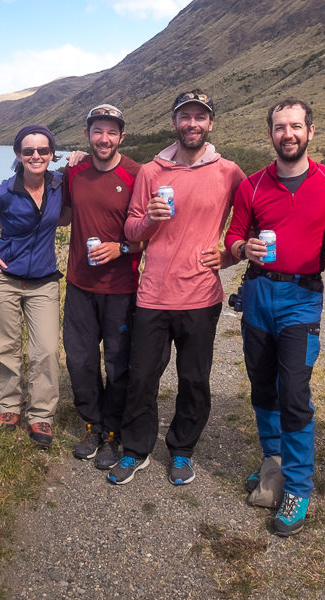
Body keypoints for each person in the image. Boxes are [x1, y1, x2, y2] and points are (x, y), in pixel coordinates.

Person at [107, 90, 246, 486]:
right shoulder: (152, 172)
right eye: (185, 117)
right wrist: (149, 219)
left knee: (194, 377)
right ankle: (136, 450)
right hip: (153, 293)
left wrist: (231, 255)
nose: (192, 124)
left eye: (200, 117)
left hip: (201, 295)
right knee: (142, 375)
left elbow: (250, 217)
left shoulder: (228, 171)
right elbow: (132, 230)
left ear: (210, 124)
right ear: (175, 123)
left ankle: (182, 450)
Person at [224, 98, 325, 536]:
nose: (288, 134)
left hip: (301, 297)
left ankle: (298, 486)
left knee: (293, 391)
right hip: (258, 292)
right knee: (261, 385)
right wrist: (243, 249)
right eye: (280, 127)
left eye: (296, 126)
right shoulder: (253, 185)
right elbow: (235, 235)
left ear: (310, 131)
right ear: (270, 133)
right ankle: (272, 463)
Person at [0, 125, 64, 448]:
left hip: (43, 281)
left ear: (51, 154)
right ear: (18, 155)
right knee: (5, 347)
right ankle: (9, 406)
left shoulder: (61, 184)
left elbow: (89, 172)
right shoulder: (3, 192)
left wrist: (79, 157)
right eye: (29, 151)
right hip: (2, 279)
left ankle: (41, 414)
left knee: (45, 349)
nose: (36, 156)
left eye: (43, 151)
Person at [61, 104, 143, 470]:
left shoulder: (137, 175)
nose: (104, 138)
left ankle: (113, 433)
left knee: (118, 363)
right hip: (79, 283)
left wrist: (122, 247)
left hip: (121, 287)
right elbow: (56, 210)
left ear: (121, 137)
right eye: (98, 131)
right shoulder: (74, 170)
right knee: (80, 361)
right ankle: (92, 425)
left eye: (112, 132)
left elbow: (151, 233)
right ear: (87, 135)